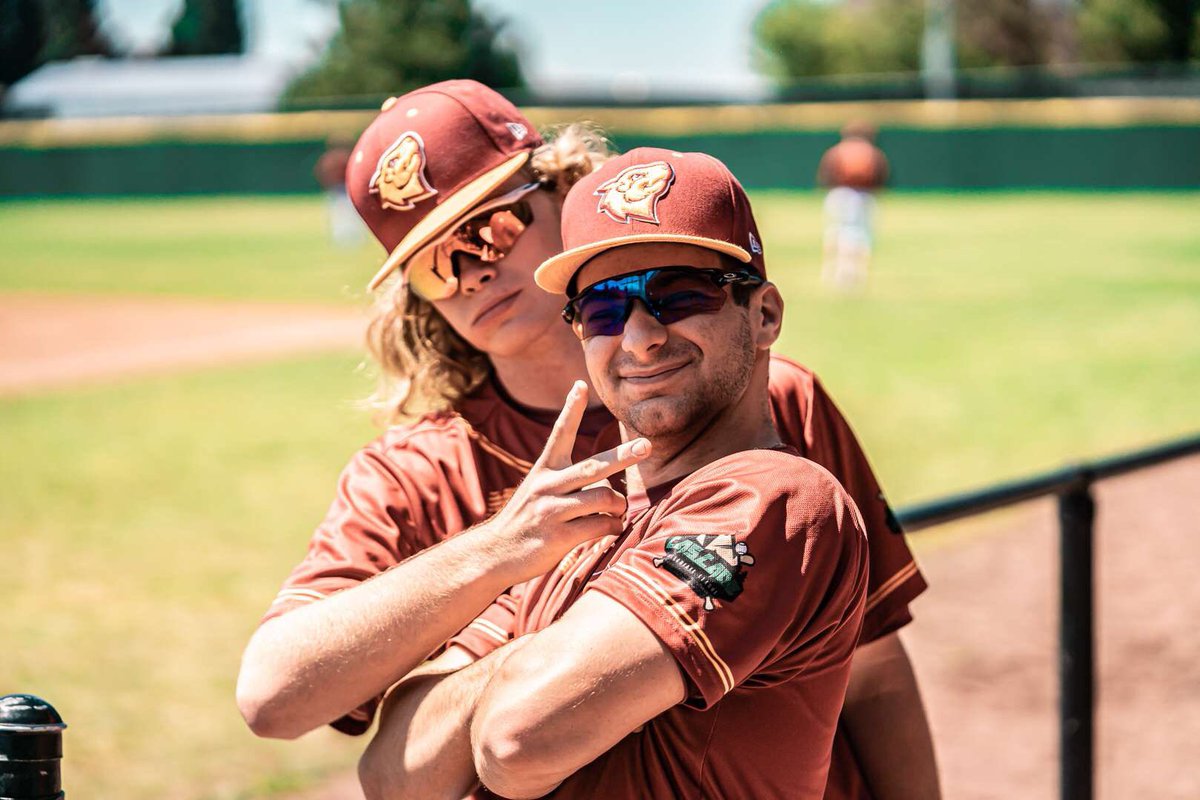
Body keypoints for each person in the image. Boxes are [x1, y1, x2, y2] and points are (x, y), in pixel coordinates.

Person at [236, 80, 938, 799]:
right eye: (434, 265)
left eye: (491, 229)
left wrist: (519, 658)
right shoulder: (416, 472)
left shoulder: (776, 399)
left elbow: (872, 670)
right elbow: (281, 702)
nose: (473, 272)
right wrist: (500, 550)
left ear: (558, 190)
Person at [360, 147, 869, 799]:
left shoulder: (779, 499)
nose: (638, 337)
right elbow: (392, 776)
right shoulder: (577, 525)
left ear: (763, 314)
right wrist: (539, 663)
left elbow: (517, 741)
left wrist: (524, 659)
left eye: (678, 294)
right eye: (602, 309)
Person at [816, 121, 890, 292]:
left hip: (838, 194)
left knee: (836, 233)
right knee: (858, 235)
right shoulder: (872, 152)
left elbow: (825, 176)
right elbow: (881, 178)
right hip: (863, 195)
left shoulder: (837, 151)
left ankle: (832, 272)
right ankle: (854, 274)